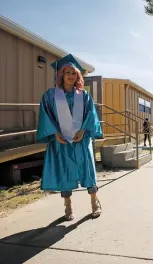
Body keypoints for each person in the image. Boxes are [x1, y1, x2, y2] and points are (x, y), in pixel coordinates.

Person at [36, 54, 103, 221]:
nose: (71, 76)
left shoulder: (84, 96)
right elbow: (46, 116)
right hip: (61, 141)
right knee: (64, 171)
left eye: (74, 73)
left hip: (82, 139)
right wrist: (54, 133)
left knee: (87, 169)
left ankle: (95, 202)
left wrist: (84, 130)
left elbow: (91, 115)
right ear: (61, 75)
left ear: (78, 76)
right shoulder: (50, 96)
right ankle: (68, 206)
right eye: (67, 72)